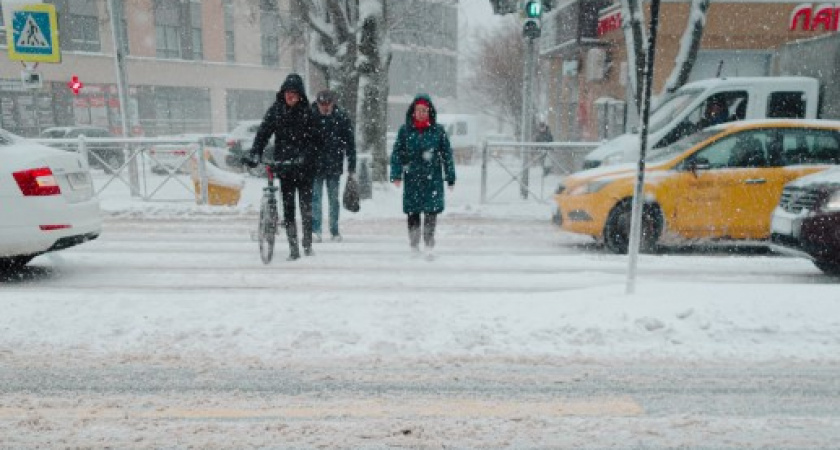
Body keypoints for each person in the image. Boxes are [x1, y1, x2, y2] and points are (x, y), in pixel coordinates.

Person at [243, 73, 320, 261]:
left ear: (300, 94)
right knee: (288, 208)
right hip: (285, 167)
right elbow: (263, 133)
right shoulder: (276, 111)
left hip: (304, 169)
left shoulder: (308, 113)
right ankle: (293, 248)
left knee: (305, 207)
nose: (290, 96)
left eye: (294, 93)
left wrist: (306, 157)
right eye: (287, 92)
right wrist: (255, 152)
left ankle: (307, 243)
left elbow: (316, 141)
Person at [389, 94, 457, 257]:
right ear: (413, 111)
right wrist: (396, 174)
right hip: (412, 177)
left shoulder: (438, 131)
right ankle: (414, 245)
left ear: (429, 112)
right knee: (413, 212)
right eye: (418, 110)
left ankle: (428, 244)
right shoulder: (405, 131)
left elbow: (447, 154)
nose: (421, 113)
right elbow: (397, 153)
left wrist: (450, 176)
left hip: (432, 178)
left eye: (424, 110)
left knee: (431, 212)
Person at [311, 89, 356, 243]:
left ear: (332, 103)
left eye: (327, 103)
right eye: (322, 104)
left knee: (332, 200)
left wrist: (352, 165)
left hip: (333, 165)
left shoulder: (341, 118)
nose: (325, 107)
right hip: (316, 165)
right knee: (316, 199)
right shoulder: (310, 117)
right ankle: (316, 230)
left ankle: (334, 230)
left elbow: (350, 144)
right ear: (317, 103)